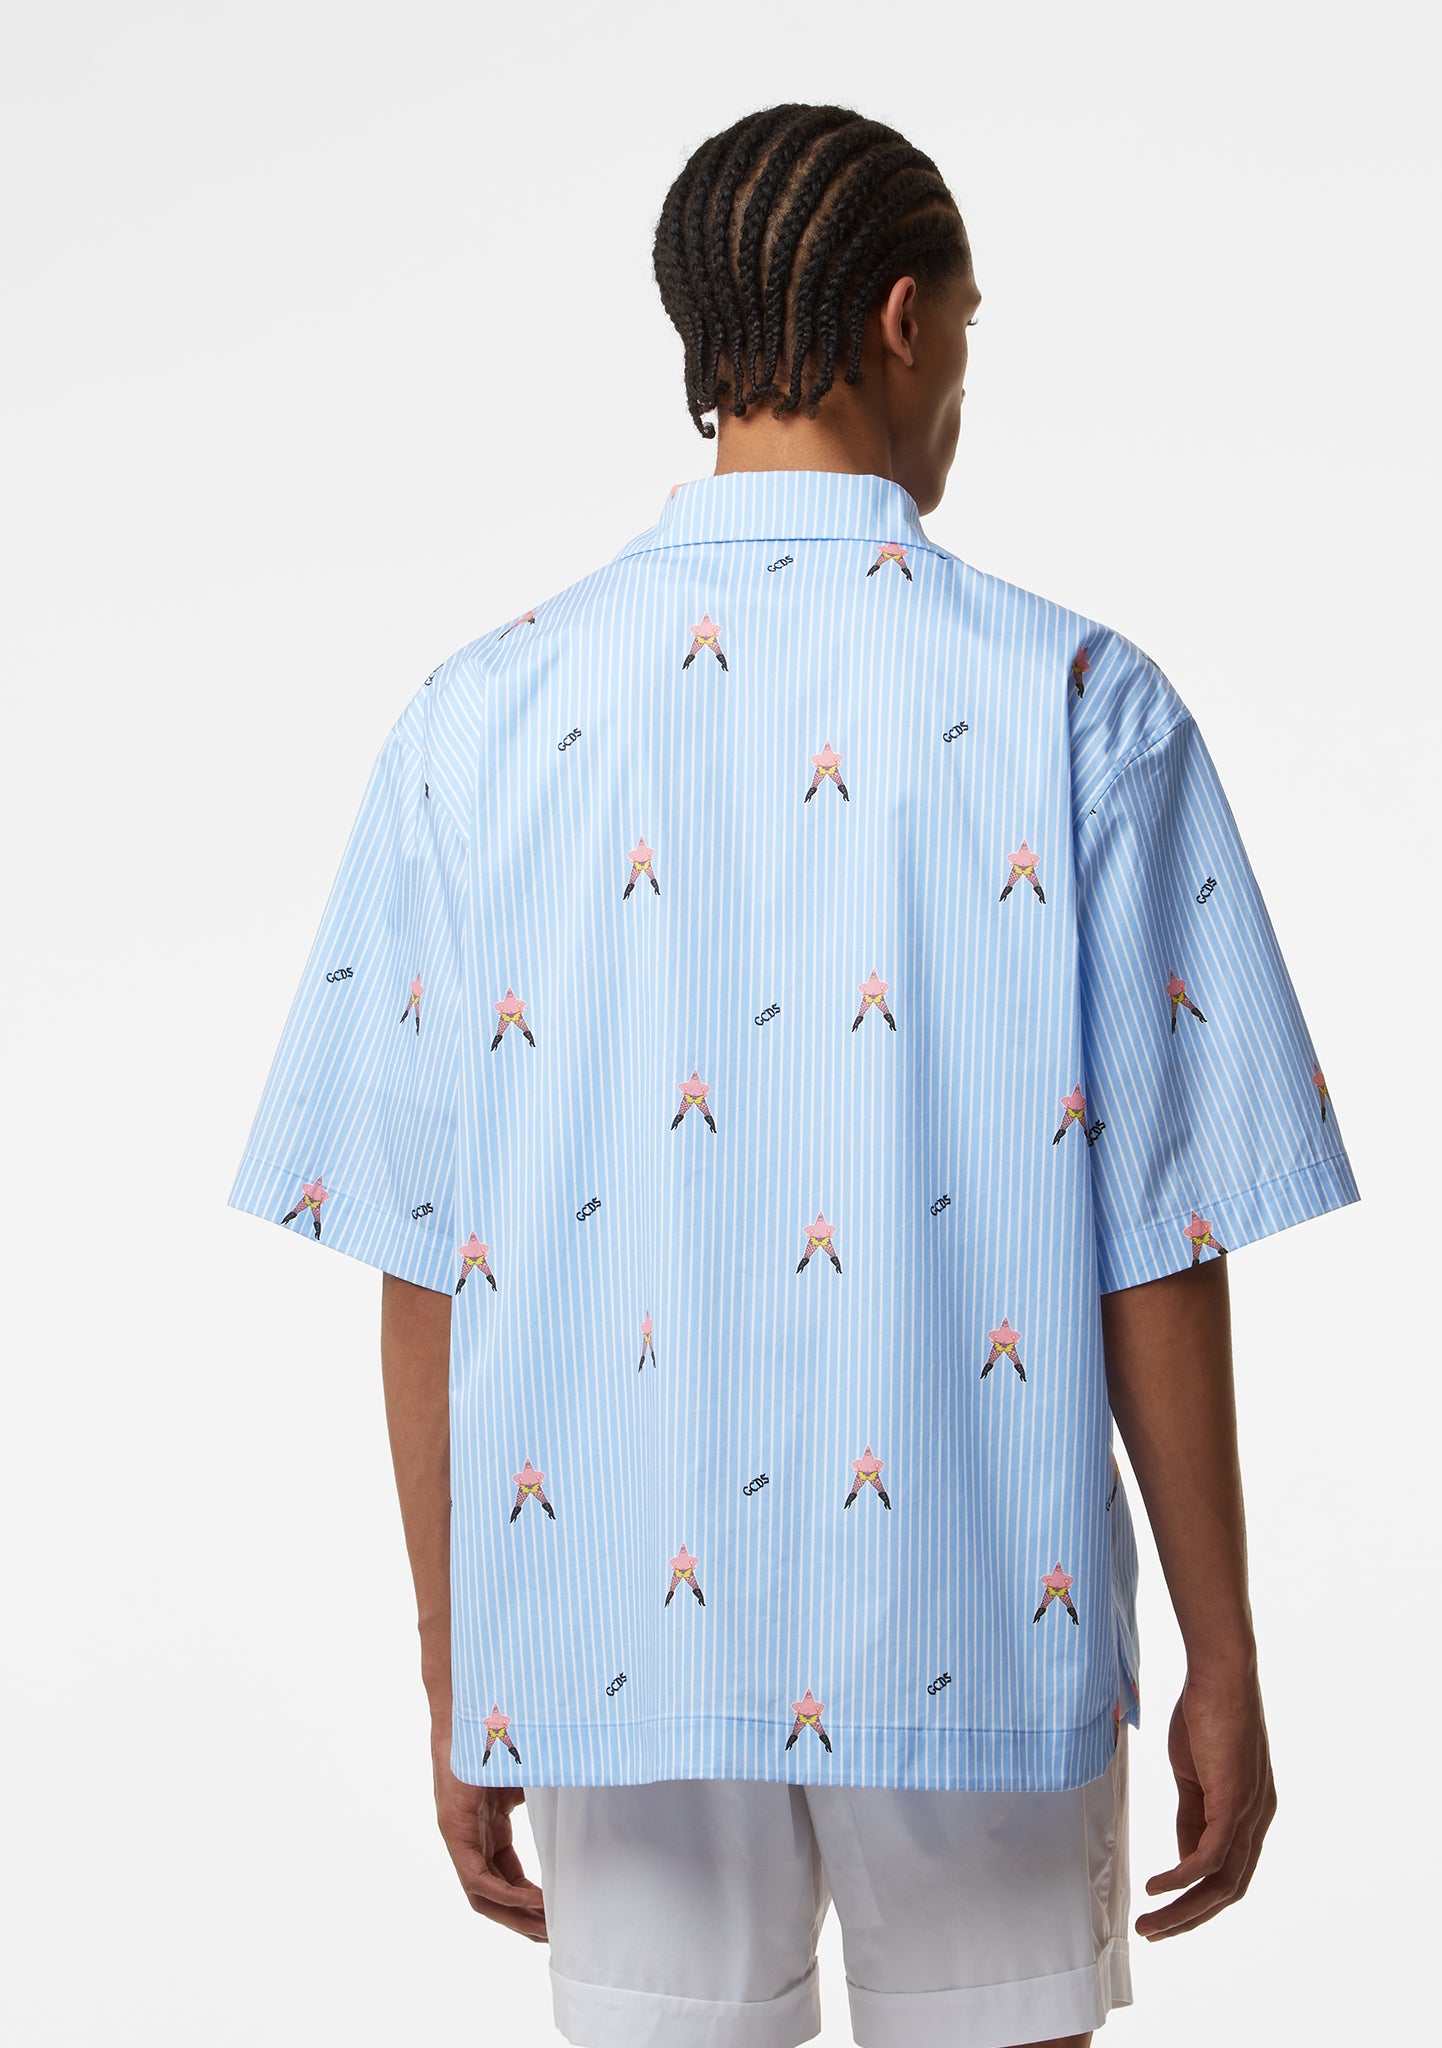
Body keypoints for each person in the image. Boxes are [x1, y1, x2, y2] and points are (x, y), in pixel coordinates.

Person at [228, 101, 1360, 2048]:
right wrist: (1225, 1649)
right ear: (902, 322)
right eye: (967, 337)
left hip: (610, 1636)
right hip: (978, 1607)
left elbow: (424, 1252)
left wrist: (464, 1667)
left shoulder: (479, 722)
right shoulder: (1077, 707)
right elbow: (1159, 1240)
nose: (960, 392)